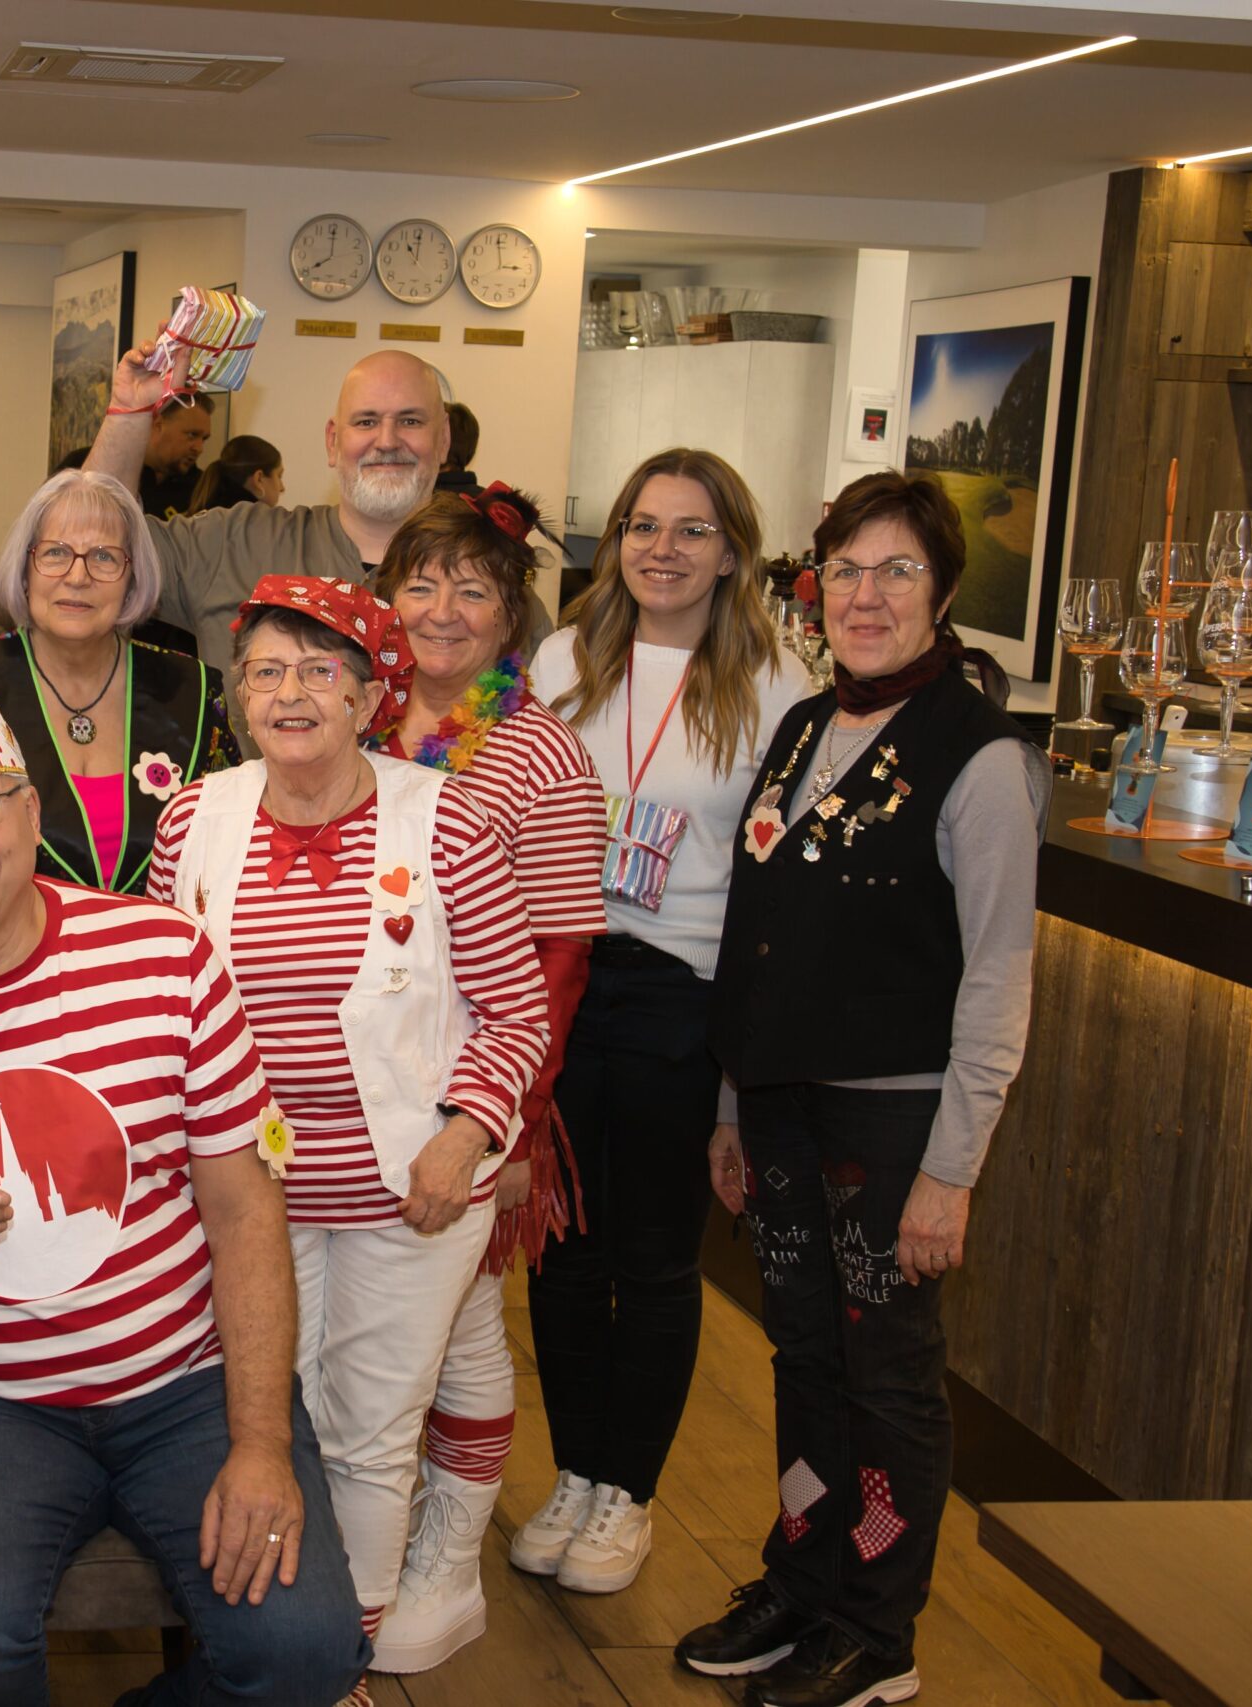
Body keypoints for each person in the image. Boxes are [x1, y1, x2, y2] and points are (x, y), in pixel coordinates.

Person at [0, 633, 368, 1707]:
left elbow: (244, 1215)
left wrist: (259, 1442)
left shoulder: (167, 960)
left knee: (307, 1652)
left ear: (31, 812)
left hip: (183, 1384)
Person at [679, 471, 1046, 1707]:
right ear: (814, 586)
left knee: (885, 1373)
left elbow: (997, 977)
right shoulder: (801, 725)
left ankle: (878, 1630)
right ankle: (803, 1575)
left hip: (894, 1121)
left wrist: (951, 1170)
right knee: (800, 1353)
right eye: (844, 569)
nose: (866, 595)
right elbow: (757, 929)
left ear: (942, 592)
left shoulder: (981, 757)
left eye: (898, 571)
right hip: (779, 1104)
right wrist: (731, 1106)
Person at [146, 575, 549, 1667]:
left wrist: (465, 1135)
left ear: (371, 699)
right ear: (239, 697)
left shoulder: (446, 820)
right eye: (265, 672)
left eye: (319, 671)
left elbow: (519, 1011)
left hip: (411, 1191)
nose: (290, 694)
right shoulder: (193, 817)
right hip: (247, 1198)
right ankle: (290, 1640)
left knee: (371, 1435)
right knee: (275, 1423)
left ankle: (342, 1666)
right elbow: (157, 997)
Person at [511, 448, 803, 1602]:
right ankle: (575, 1473)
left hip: (684, 990)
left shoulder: (776, 684)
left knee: (654, 1258)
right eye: (641, 525)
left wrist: (738, 1080)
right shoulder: (560, 660)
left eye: (691, 531)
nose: (661, 550)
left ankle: (627, 1491)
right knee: (562, 1249)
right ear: (614, 541)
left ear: (732, 553)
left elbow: (774, 885)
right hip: (562, 977)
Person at [358, 492, 607, 1668]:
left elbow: (560, 957)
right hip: (362, 1082)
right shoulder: (358, 711)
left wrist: (505, 1127)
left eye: (473, 588)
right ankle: (380, 1532)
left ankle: (448, 1565)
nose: (442, 611)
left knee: (458, 1332)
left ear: (511, 613)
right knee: (374, 1334)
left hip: (476, 1090)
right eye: (421, 583)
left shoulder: (540, 750)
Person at [0, 470, 232, 895]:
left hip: (160, 936)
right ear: (25, 571)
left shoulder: (192, 690)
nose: (78, 577)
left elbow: (226, 848)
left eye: (104, 556)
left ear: (133, 578)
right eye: (55, 553)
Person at [88, 346, 451, 674]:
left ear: (444, 440)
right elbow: (95, 545)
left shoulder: (479, 575)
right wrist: (129, 411)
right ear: (333, 441)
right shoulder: (235, 544)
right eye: (366, 422)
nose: (386, 441)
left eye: (411, 421)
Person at [134, 389, 212, 518]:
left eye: (204, 439)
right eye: (192, 435)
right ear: (158, 425)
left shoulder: (203, 490)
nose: (199, 448)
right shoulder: (113, 477)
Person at [188, 433, 285, 513]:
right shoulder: (256, 525)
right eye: (279, 476)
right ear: (259, 478)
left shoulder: (201, 517)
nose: (282, 488)